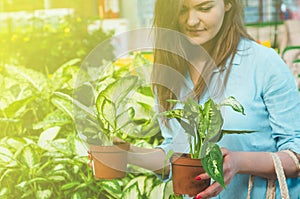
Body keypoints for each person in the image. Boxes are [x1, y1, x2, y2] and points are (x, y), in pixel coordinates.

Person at [90, 0, 300, 198]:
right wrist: (129, 155)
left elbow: (296, 155)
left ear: (228, 4)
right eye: (181, 10)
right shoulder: (170, 70)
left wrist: (239, 162)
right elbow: (176, 153)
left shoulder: (263, 64)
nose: (191, 21)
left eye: (204, 8)